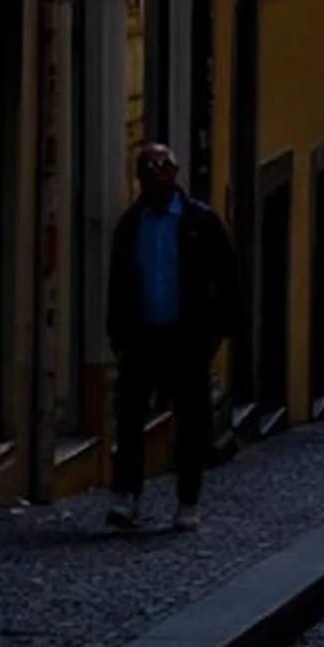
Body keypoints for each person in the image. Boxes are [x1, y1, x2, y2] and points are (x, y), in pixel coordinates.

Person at [106, 143, 238, 534]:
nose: (157, 176)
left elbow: (227, 277)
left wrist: (216, 332)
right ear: (140, 177)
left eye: (163, 168)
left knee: (190, 422)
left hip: (187, 338)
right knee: (130, 419)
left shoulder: (201, 222)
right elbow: (118, 282)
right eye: (149, 169)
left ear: (176, 173)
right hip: (141, 336)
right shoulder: (131, 226)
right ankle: (127, 498)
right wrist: (117, 332)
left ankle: (188, 501)